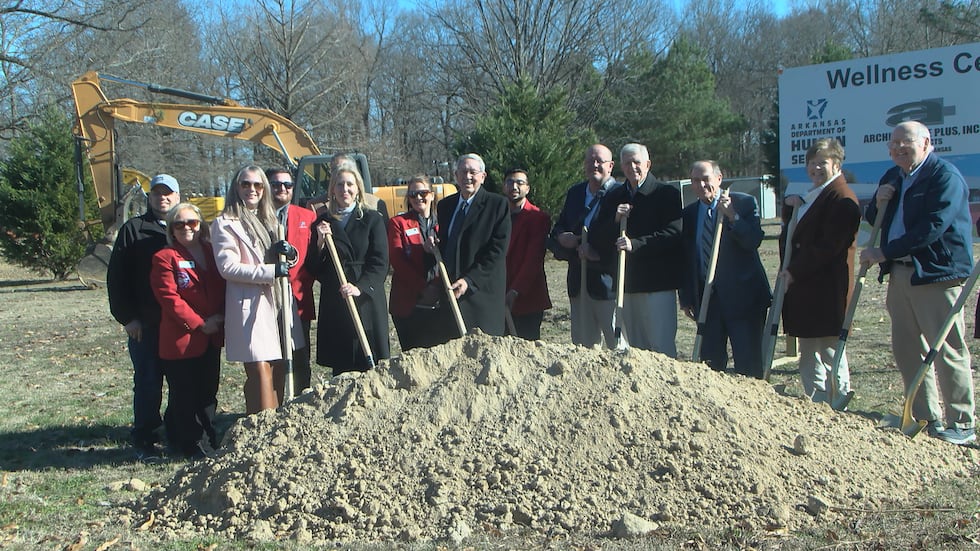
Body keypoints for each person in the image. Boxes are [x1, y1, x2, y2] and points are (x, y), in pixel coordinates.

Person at [861, 121, 976, 445]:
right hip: (900, 274)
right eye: (893, 143)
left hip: (937, 274)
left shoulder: (943, 177)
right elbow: (876, 219)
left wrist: (884, 251)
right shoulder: (894, 176)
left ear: (926, 142)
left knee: (946, 349)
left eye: (906, 142)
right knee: (907, 349)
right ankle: (926, 417)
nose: (898, 148)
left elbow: (932, 228)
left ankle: (961, 423)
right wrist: (877, 202)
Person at [212, 165, 303, 414]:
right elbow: (228, 267)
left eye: (257, 185)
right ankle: (261, 423)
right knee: (259, 368)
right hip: (250, 303)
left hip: (277, 302)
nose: (252, 189)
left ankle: (274, 422)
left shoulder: (270, 220)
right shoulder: (225, 223)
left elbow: (282, 260)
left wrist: (288, 254)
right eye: (245, 184)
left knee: (278, 367)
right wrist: (270, 272)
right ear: (236, 187)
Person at [779, 139, 860, 403]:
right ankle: (816, 400)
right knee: (808, 348)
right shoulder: (814, 194)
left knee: (828, 347)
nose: (815, 168)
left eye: (822, 163)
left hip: (825, 288)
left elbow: (828, 247)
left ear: (836, 164)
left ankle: (837, 399)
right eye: (811, 163)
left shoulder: (842, 198)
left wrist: (794, 271)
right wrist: (789, 209)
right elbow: (797, 234)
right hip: (806, 289)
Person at [107, 173, 180, 460]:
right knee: (149, 381)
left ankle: (176, 432)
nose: (163, 198)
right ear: (149, 197)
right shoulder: (133, 230)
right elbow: (116, 278)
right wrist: (128, 318)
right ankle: (145, 437)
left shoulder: (187, 227)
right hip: (146, 324)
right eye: (157, 193)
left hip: (179, 324)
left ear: (177, 196)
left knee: (180, 381)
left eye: (168, 193)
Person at [678, 161, 771, 378]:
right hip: (707, 300)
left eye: (705, 179)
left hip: (744, 299)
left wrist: (732, 216)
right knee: (710, 365)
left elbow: (753, 241)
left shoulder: (744, 203)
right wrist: (686, 297)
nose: (701, 185)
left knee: (748, 366)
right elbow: (686, 258)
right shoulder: (690, 214)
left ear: (719, 179)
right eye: (695, 180)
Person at [150, 203, 225, 459]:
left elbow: (224, 288)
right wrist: (200, 323)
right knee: (184, 394)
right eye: (179, 224)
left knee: (207, 392)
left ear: (201, 224)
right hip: (182, 338)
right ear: (171, 229)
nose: (186, 228)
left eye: (192, 222)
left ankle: (205, 437)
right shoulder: (165, 257)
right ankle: (190, 443)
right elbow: (169, 298)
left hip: (212, 335)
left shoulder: (212, 251)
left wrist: (220, 318)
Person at [593, 143, 683, 355]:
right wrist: (615, 219)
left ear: (648, 164)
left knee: (660, 348)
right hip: (627, 284)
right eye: (627, 163)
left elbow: (674, 233)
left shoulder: (665, 194)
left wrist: (637, 244)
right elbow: (598, 236)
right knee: (634, 350)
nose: (632, 167)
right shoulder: (613, 197)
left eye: (637, 162)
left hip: (657, 285)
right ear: (620, 167)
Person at [308, 160, 390, 374]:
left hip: (366, 297)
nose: (345, 189)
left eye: (350, 185)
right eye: (340, 185)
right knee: (342, 362)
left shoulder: (372, 219)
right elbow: (314, 267)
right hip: (337, 297)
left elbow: (380, 262)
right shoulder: (323, 222)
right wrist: (319, 242)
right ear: (332, 190)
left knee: (370, 362)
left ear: (358, 189)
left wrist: (359, 287)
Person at [429, 153, 511, 339]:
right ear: (456, 175)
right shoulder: (445, 206)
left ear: (483, 177)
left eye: (473, 172)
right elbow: (448, 243)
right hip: (451, 294)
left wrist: (469, 281)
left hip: (481, 294)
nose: (468, 177)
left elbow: (496, 251)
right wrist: (433, 245)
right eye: (463, 172)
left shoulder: (497, 205)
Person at [549, 144, 621, 348]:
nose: (594, 165)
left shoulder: (620, 194)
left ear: (611, 166)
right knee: (583, 348)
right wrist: (563, 237)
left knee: (618, 347)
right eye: (590, 161)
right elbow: (561, 224)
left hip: (608, 284)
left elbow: (619, 235)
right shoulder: (575, 193)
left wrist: (596, 252)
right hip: (578, 283)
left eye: (599, 161)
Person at [266, 167, 317, 393]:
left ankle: (300, 397)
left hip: (297, 295)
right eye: (276, 184)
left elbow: (314, 257)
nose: (282, 189)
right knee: (271, 356)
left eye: (287, 185)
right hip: (266, 297)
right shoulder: (256, 216)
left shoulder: (307, 217)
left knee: (299, 353)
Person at [387, 175, 441, 351]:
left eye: (423, 192)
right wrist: (423, 288)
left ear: (432, 195)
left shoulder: (444, 222)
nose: (418, 197)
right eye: (413, 194)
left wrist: (436, 287)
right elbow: (397, 260)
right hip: (409, 304)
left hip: (440, 302)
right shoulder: (398, 223)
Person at [503, 167, 552, 340]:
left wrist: (515, 291)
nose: (514, 186)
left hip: (526, 297)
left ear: (527, 188)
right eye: (510, 182)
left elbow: (533, 260)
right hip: (499, 295)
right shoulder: (497, 216)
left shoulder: (538, 218)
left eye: (520, 183)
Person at [308, 153, 389, 221]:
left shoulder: (376, 204)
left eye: (344, 168)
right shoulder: (315, 206)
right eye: (334, 169)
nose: (340, 172)